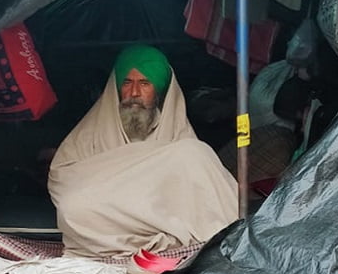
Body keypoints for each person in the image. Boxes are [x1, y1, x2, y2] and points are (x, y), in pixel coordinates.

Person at [48, 45, 238, 259]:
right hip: (108, 218)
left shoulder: (179, 137)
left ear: (159, 91)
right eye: (127, 83)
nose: (135, 93)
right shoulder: (88, 134)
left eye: (145, 84)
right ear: (116, 88)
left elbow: (196, 195)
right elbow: (61, 182)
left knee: (195, 152)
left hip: (157, 218)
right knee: (72, 209)